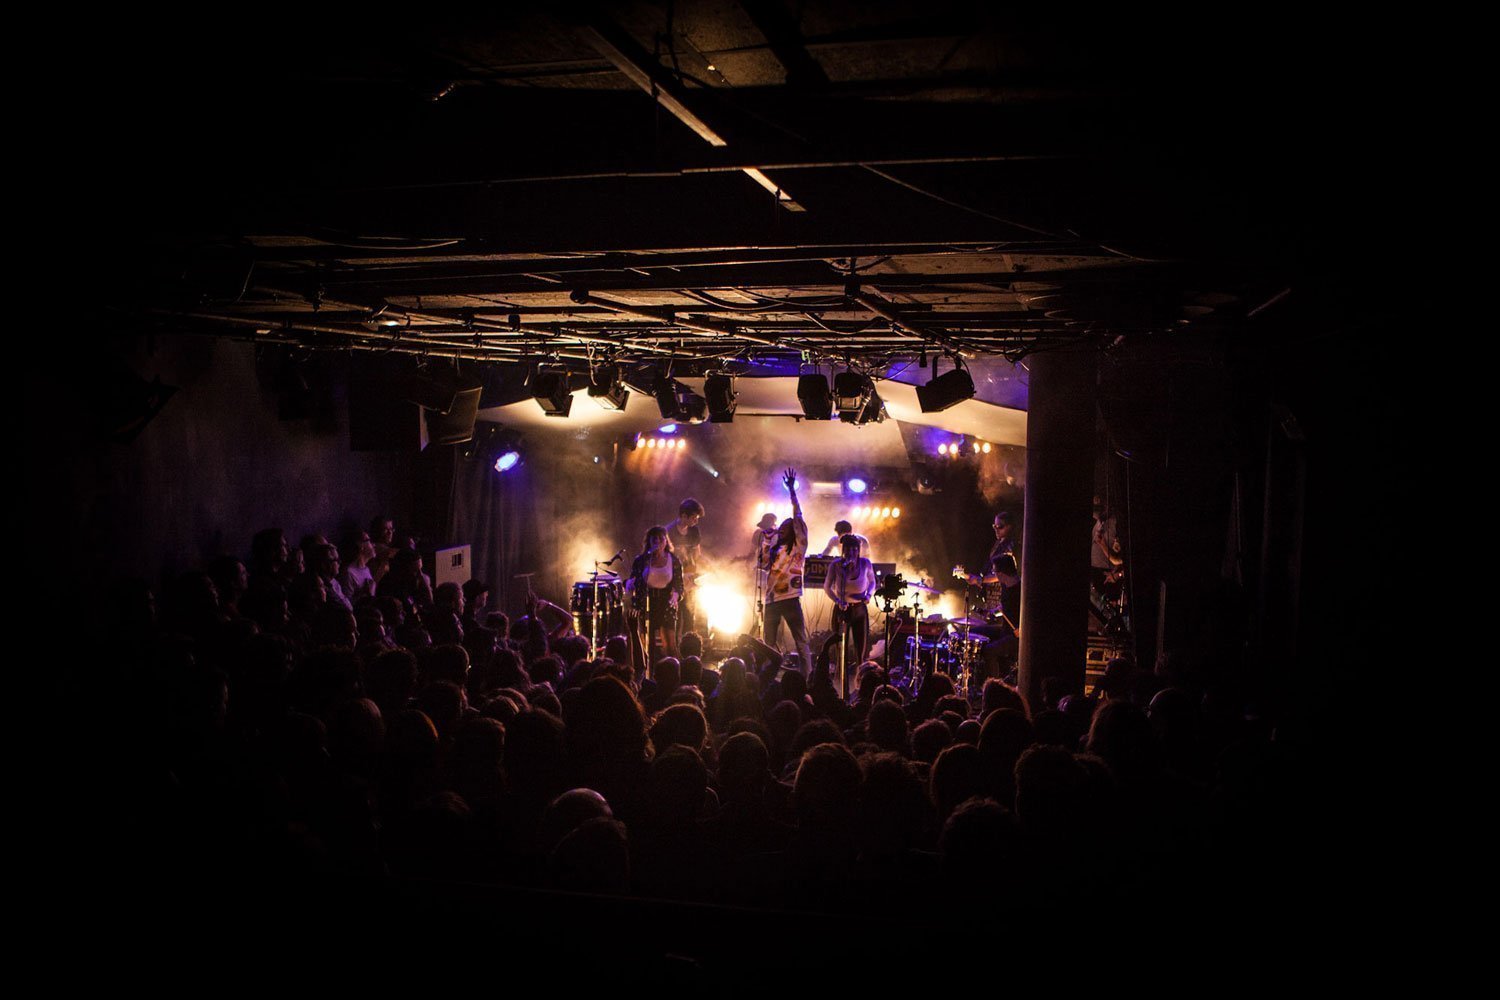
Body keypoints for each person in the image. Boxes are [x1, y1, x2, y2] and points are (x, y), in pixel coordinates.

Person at [763, 468, 812, 675]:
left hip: (791, 598)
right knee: (768, 643)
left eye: (786, 526)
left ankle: (808, 679)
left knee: (800, 641)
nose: (781, 528)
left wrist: (792, 491)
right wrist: (766, 540)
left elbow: (798, 516)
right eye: (780, 526)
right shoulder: (775, 548)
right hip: (771, 599)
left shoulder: (798, 546)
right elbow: (763, 565)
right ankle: (769, 678)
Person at [961, 511, 1021, 675]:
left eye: (1000, 527)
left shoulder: (1010, 548)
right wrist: (991, 611)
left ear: (1010, 527)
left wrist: (980, 580)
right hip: (1003, 615)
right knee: (973, 633)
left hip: (1015, 633)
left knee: (989, 649)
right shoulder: (999, 544)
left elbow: (998, 575)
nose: (996, 530)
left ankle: (993, 683)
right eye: (994, 526)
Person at [626, 525, 684, 659]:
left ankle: (672, 671)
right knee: (646, 642)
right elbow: (633, 579)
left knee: (669, 643)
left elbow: (679, 585)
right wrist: (630, 584)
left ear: (666, 541)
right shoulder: (641, 560)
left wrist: (675, 595)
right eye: (654, 539)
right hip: (646, 602)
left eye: (660, 539)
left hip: (666, 602)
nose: (657, 542)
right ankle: (646, 672)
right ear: (649, 542)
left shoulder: (674, 560)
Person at [823, 533, 876, 673]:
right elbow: (827, 587)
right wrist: (837, 600)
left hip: (859, 609)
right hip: (842, 610)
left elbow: (872, 582)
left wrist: (868, 595)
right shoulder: (836, 565)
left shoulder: (865, 564)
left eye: (854, 549)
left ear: (858, 550)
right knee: (841, 649)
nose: (851, 552)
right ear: (843, 550)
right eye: (848, 549)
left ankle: (860, 684)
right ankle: (840, 684)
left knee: (860, 650)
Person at [666, 499, 705, 636]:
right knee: (674, 616)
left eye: (697, 518)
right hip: (674, 580)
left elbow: (697, 554)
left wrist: (707, 569)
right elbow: (665, 559)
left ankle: (689, 648)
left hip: (690, 580)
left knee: (689, 615)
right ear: (683, 516)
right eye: (694, 518)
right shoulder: (668, 532)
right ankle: (673, 649)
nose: (696, 521)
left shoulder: (694, 531)